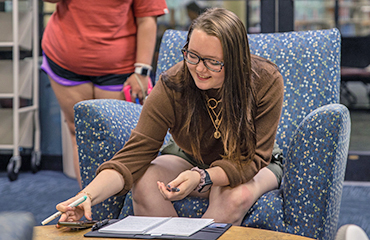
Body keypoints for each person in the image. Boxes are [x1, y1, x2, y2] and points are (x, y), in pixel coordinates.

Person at [55, 7, 284, 226]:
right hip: (190, 155)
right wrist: (87, 195)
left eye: (213, 62)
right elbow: (134, 154)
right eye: (193, 56)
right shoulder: (173, 83)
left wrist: (202, 177)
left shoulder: (265, 79)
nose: (200, 70)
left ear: (236, 60)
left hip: (253, 163)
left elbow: (253, 159)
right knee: (145, 182)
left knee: (233, 196)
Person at [41, 0, 168, 188]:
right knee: (79, 134)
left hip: (119, 67)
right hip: (65, 58)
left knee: (118, 139)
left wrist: (141, 71)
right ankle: (89, 203)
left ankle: (117, 208)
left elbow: (147, 17)